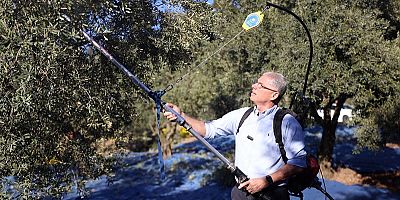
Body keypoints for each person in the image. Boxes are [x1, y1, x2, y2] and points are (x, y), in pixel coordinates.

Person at [164, 72, 307, 200]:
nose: (254, 86)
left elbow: (299, 163)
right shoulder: (242, 115)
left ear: (274, 95)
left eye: (260, 85)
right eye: (256, 82)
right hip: (241, 193)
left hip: (272, 194)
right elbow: (208, 130)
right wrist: (181, 115)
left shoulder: (286, 122)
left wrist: (267, 180)